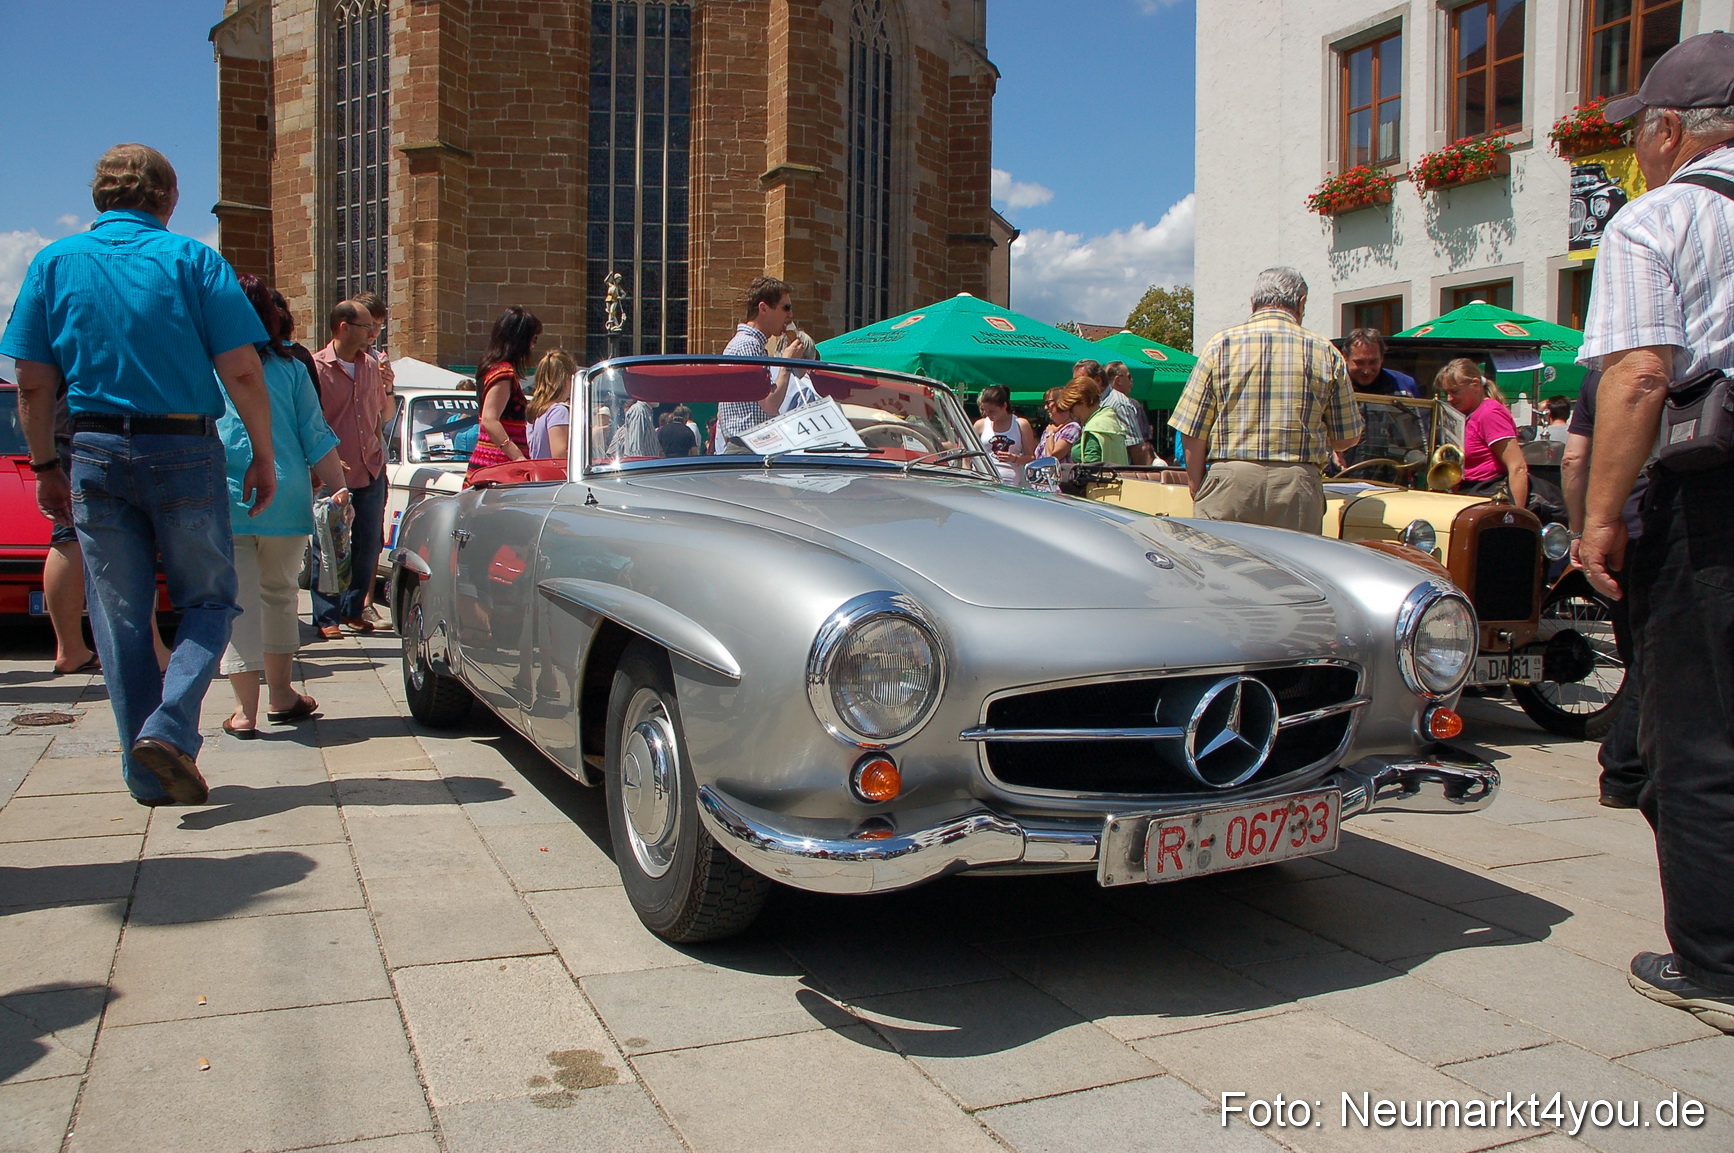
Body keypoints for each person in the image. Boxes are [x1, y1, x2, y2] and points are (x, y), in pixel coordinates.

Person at [1, 143, 276, 806]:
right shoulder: (191, 260)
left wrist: (43, 464)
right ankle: (172, 725)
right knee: (209, 600)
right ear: (169, 199)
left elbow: (32, 385)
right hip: (182, 445)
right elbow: (240, 368)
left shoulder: (52, 264)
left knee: (119, 616)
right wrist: (264, 453)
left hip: (92, 450)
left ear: (100, 197)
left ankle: (145, 771)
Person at [1574, 31, 1734, 1031]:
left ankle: (1715, 961)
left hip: (1716, 500)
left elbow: (1638, 374)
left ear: (1669, 130)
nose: (1641, 150)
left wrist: (1598, 519)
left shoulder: (1661, 217)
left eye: (1643, 134)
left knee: (1703, 730)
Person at [219, 276, 350, 737]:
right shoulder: (290, 367)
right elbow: (315, 433)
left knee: (236, 602)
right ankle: (281, 696)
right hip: (287, 494)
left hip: (226, 494)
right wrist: (339, 487)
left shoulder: (208, 365)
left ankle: (243, 712)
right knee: (278, 595)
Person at [1170, 267, 1362, 532]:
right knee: (1291, 570)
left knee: (1218, 568)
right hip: (1297, 484)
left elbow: (1191, 428)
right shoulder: (1325, 351)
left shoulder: (1220, 345)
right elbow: (1346, 438)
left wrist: (1197, 484)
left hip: (1230, 479)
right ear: (1302, 302)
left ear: (1253, 303)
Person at [1559, 369, 1649, 818]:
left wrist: (1583, 529)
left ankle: (1627, 767)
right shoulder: (1663, 370)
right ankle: (1625, 767)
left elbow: (1574, 460)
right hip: (1658, 523)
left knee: (1639, 652)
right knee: (1654, 656)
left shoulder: (1598, 378)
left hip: (1620, 527)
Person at [310, 299, 389, 638]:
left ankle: (353, 609)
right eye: (365, 325)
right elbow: (310, 421)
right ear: (344, 327)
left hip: (370, 467)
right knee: (327, 545)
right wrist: (321, 461)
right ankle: (327, 616)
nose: (373, 331)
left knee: (368, 542)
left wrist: (377, 452)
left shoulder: (370, 365)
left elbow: (379, 416)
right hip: (334, 470)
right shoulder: (315, 367)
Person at [715, 276, 802, 450]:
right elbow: (770, 404)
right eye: (786, 307)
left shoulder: (745, 344)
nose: (790, 314)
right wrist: (786, 364)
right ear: (764, 308)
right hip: (747, 447)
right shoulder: (749, 346)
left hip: (746, 446)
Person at [1437, 359, 1529, 509]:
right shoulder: (1467, 414)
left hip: (1488, 498)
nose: (1449, 398)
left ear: (1475, 384)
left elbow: (1518, 467)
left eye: (1454, 391)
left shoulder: (1489, 413)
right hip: (1469, 497)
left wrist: (1516, 515)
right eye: (1446, 392)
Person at [465, 307, 541, 483]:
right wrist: (518, 458)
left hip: (489, 463)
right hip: (497, 466)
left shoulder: (491, 368)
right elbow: (490, 419)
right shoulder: (503, 372)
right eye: (533, 339)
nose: (533, 346)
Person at [973, 385, 1035, 485]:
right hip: (982, 480)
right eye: (984, 410)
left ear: (1004, 406)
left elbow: (1031, 457)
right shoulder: (980, 424)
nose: (987, 414)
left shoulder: (1020, 424)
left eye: (992, 411)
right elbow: (967, 454)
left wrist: (1015, 458)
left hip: (1010, 482)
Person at [1100, 361, 1156, 465]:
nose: (1132, 381)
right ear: (1118, 380)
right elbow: (1139, 447)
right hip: (1124, 472)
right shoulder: (1126, 404)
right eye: (1129, 377)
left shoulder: (1098, 402)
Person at [525, 349, 576, 460]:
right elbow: (560, 455)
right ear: (567, 380)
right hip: (557, 475)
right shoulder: (558, 411)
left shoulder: (536, 412)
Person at [1344, 328, 1420, 397]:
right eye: (1359, 362)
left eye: (1373, 362)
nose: (1366, 371)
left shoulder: (1405, 385)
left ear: (1382, 358)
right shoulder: (1334, 386)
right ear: (1345, 358)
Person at [1071, 378, 1129, 465]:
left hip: (1103, 478)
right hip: (1121, 477)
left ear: (1084, 402)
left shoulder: (1094, 429)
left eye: (1071, 409)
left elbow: (1091, 469)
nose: (1072, 415)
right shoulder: (1110, 419)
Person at [1036, 387, 1081, 461]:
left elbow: (1051, 457)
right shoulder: (1049, 428)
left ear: (1060, 402)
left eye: (1048, 403)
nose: (1045, 407)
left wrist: (1050, 434)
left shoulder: (1073, 428)